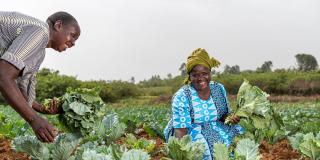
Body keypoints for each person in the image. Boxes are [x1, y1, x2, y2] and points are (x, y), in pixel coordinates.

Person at [0, 11, 81, 142]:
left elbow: (20, 89)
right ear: (58, 25)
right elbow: (4, 75)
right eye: (72, 35)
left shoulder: (40, 53)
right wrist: (34, 119)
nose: (73, 43)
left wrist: (42, 109)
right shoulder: (40, 31)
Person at [164, 48, 244, 160]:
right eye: (195, 75)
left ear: (210, 73)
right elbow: (181, 130)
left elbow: (224, 115)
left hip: (215, 126)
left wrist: (231, 118)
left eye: (204, 74)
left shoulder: (218, 89)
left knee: (240, 135)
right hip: (190, 131)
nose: (200, 78)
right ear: (189, 77)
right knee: (206, 147)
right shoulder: (182, 95)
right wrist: (181, 153)